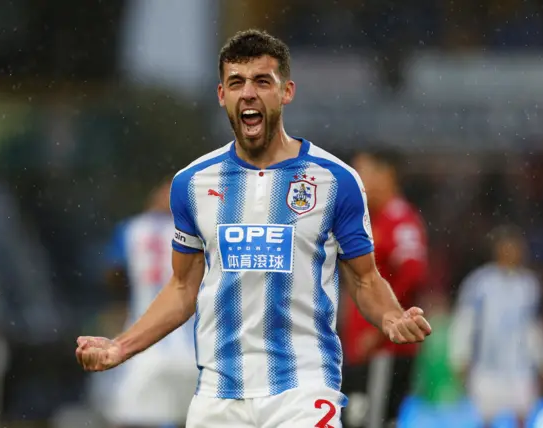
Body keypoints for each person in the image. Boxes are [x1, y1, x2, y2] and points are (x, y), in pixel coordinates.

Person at [76, 29, 431, 428]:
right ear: (221, 95)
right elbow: (181, 289)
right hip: (218, 394)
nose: (249, 93)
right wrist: (119, 347)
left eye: (263, 81)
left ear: (287, 92)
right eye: (236, 82)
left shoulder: (336, 180)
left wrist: (390, 317)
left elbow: (365, 279)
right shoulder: (192, 184)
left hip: (303, 388)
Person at [91, 176, 198, 428]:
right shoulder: (199, 230)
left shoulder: (131, 230)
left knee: (129, 416)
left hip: (143, 347)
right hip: (195, 349)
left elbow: (113, 274)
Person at [339, 150, 429, 428]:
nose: (358, 182)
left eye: (362, 173)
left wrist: (383, 326)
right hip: (363, 350)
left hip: (385, 351)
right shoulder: (371, 220)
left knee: (372, 421)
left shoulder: (399, 219)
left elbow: (413, 273)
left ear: (386, 174)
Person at [448, 224, 543, 428]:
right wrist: (460, 356)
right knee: (485, 419)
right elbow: (465, 322)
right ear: (497, 250)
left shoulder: (529, 285)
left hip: (519, 366)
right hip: (487, 366)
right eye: (507, 247)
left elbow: (533, 326)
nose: (512, 253)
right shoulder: (479, 283)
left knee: (522, 417)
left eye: (516, 248)